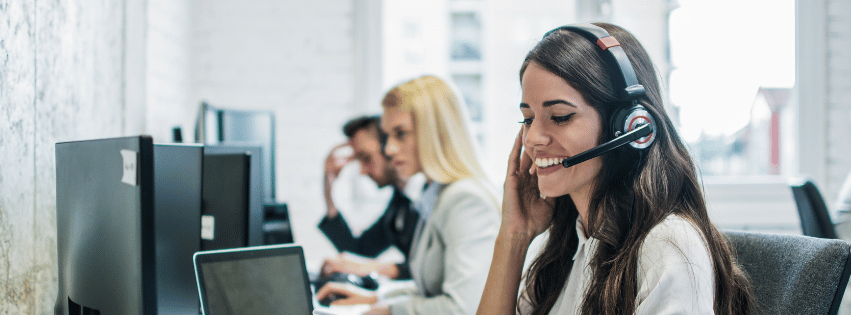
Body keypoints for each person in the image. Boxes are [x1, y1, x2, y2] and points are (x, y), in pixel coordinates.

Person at [476, 23, 754, 315]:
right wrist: (513, 237)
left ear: (629, 126)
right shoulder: (567, 249)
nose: (532, 139)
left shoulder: (667, 247)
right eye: (528, 119)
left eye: (560, 117)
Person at [317, 75, 500, 315]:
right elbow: (428, 289)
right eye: (388, 136)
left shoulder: (465, 200)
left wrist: (386, 310)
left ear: (434, 132)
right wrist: (376, 299)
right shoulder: (434, 194)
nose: (390, 149)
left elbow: (463, 308)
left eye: (400, 134)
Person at [319, 116, 423, 280]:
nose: (362, 171)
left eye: (366, 158)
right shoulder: (400, 202)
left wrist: (373, 268)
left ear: (388, 149)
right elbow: (359, 252)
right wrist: (329, 191)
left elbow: (433, 270)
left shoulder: (427, 196)